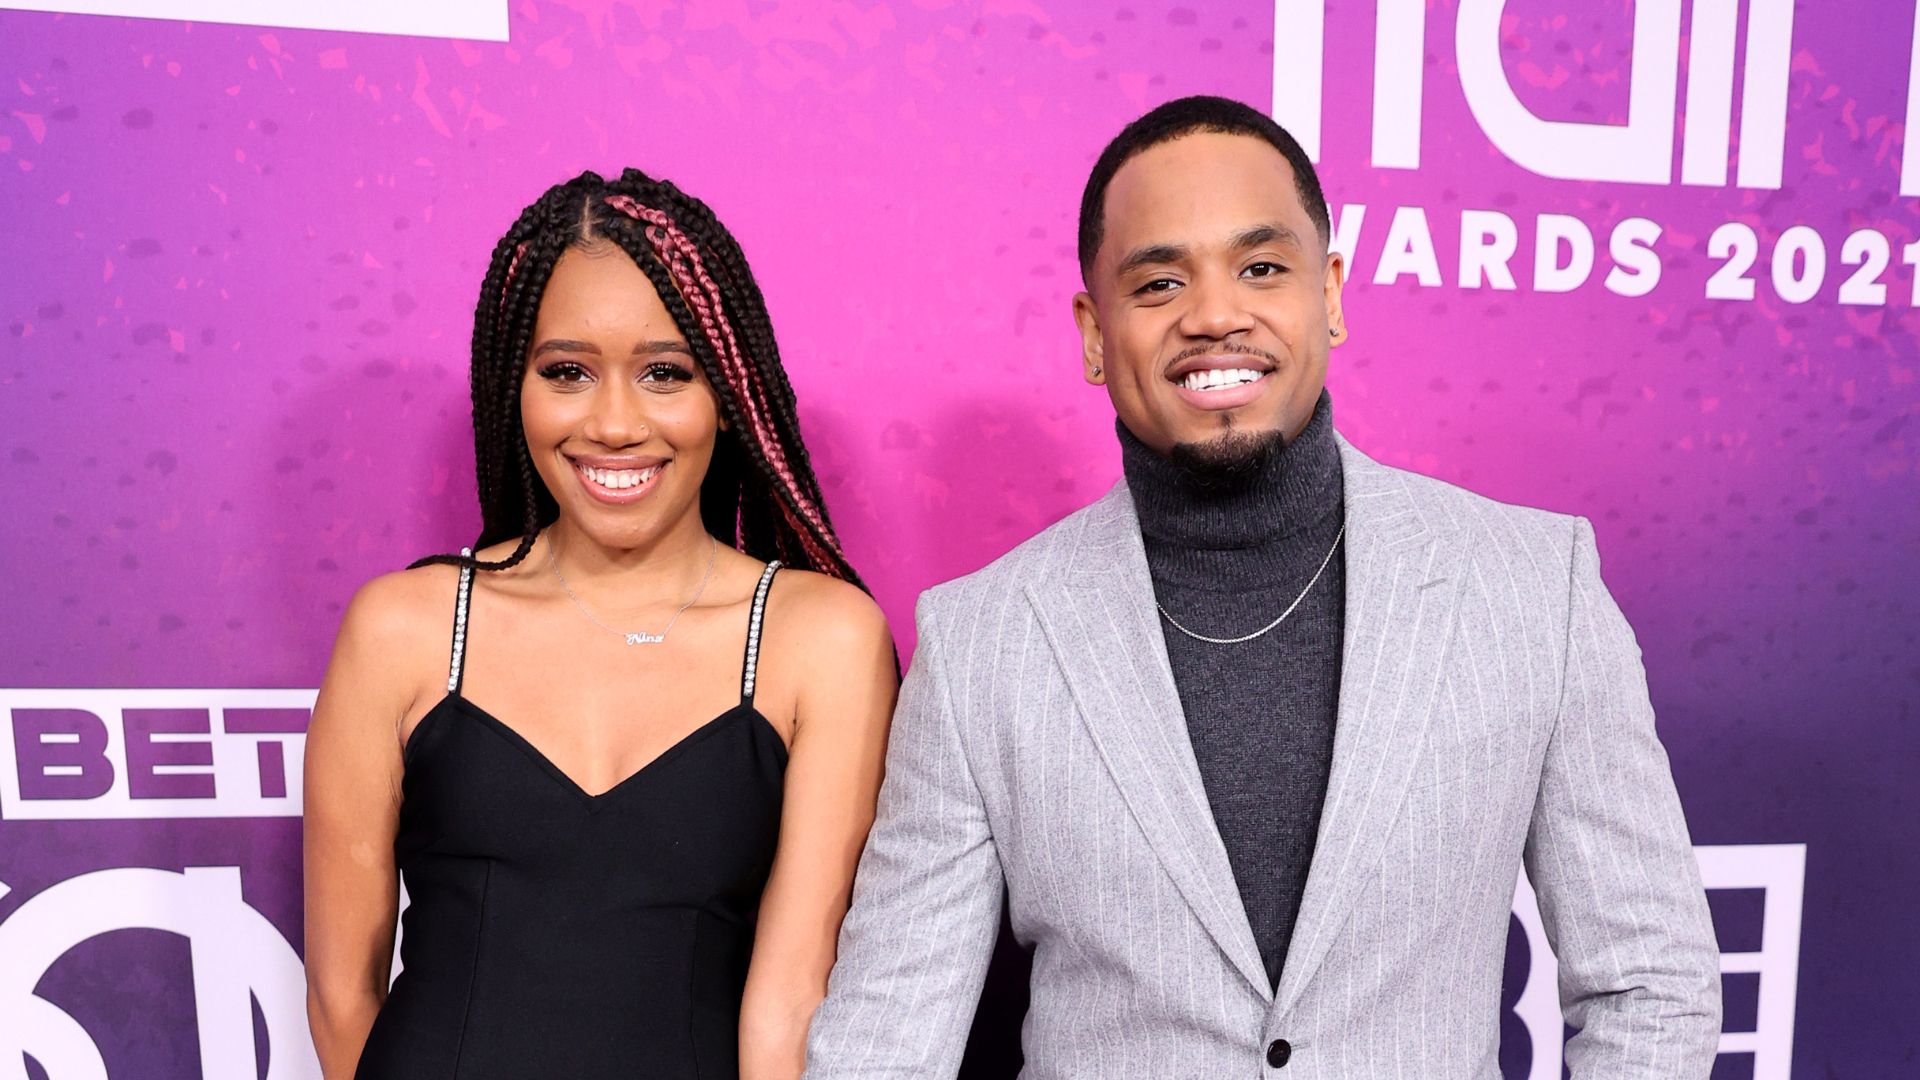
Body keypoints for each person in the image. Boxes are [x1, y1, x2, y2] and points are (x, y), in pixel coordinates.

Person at [804, 96, 1720, 1077]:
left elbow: (1648, 983)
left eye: (1262, 267)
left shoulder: (1536, 589)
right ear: (1093, 331)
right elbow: (884, 1038)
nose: (1214, 314)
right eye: (1158, 282)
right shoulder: (983, 641)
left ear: (1329, 293)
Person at [303, 169, 896, 1080]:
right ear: (515, 385)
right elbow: (344, 998)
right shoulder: (404, 629)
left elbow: (791, 1003)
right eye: (567, 372)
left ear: (728, 396)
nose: (614, 423)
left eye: (665, 373)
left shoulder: (821, 639)